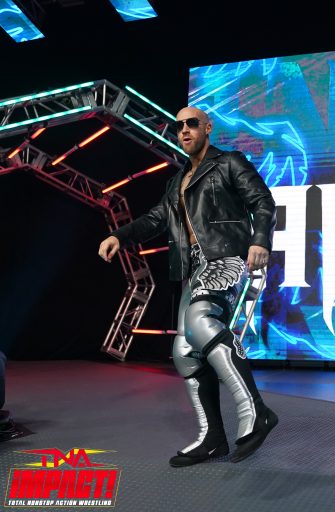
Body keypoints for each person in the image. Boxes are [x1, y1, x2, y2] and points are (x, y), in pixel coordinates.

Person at [98, 106, 278, 467]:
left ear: (207, 128)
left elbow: (262, 201)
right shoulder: (176, 181)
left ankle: (255, 411)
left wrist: (260, 240)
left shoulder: (229, 162)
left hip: (226, 255)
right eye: (178, 125)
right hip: (193, 267)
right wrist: (120, 234)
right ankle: (213, 438)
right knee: (183, 350)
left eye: (191, 124)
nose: (184, 130)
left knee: (200, 320)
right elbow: (155, 219)